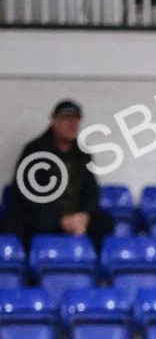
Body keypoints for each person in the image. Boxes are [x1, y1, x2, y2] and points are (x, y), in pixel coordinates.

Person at [4, 99, 114, 252]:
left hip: (75, 216)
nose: (72, 124)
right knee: (39, 221)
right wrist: (62, 220)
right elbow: (30, 195)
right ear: (54, 122)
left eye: (76, 119)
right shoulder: (34, 151)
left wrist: (84, 216)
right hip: (45, 214)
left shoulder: (83, 152)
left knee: (104, 222)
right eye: (66, 119)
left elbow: (91, 191)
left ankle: (93, 269)